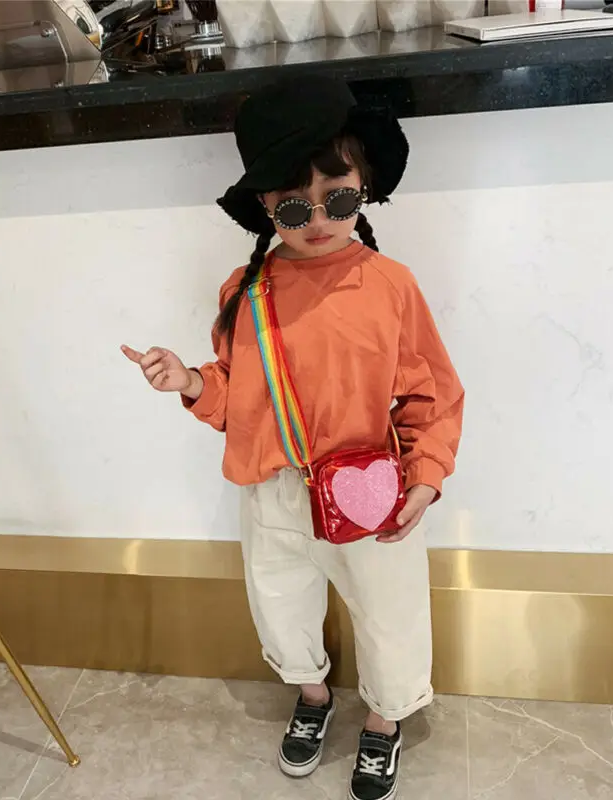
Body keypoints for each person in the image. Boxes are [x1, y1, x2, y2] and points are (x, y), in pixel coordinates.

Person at [122, 75, 464, 800]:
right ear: (265, 205)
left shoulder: (389, 284)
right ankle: (312, 695)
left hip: (370, 487)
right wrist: (190, 382)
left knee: (390, 613)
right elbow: (236, 394)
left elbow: (432, 392)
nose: (318, 221)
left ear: (364, 188)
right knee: (280, 605)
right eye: (293, 206)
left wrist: (426, 475)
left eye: (338, 200)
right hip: (273, 491)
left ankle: (383, 718)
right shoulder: (245, 292)